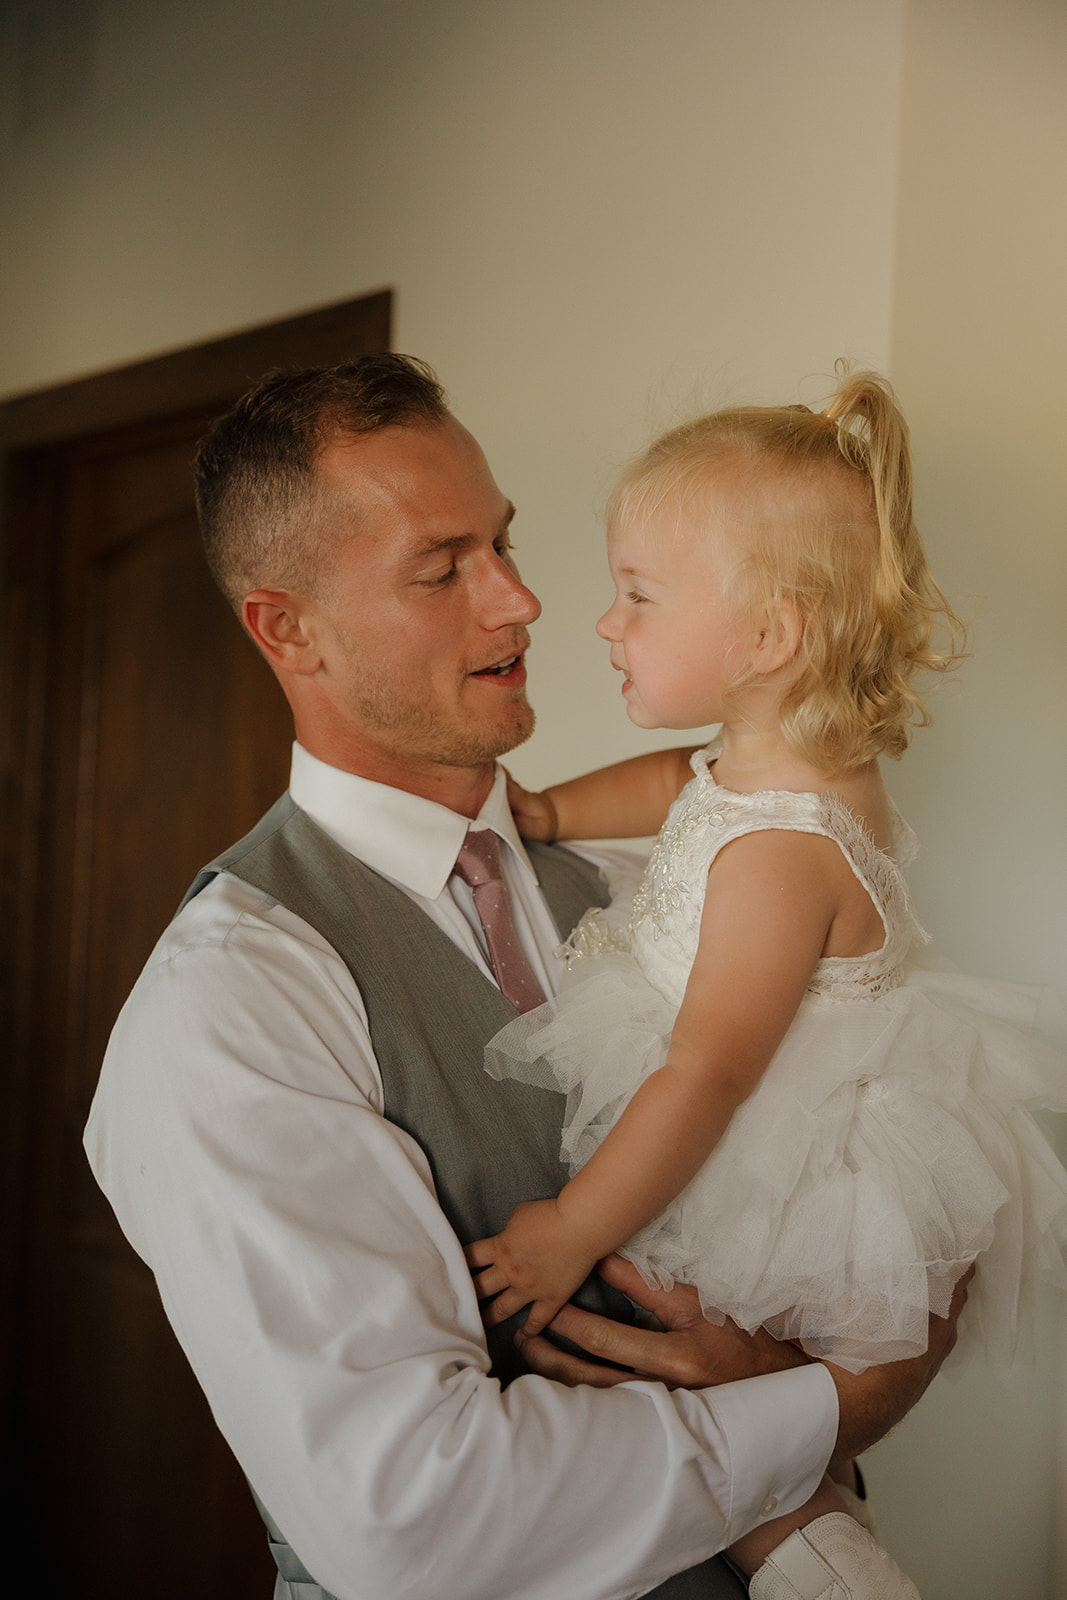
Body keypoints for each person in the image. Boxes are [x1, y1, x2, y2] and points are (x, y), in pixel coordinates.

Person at [85, 356, 966, 1600]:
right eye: (441, 569)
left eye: (500, 542)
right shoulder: (229, 1001)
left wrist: (801, 1370)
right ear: (289, 629)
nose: (521, 599)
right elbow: (415, 1521)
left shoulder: (666, 874)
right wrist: (828, 1405)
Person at [466, 369, 1067, 1589]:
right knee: (719, 1415)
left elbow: (708, 1070)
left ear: (767, 637)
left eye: (638, 595)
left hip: (787, 1148)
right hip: (781, 1103)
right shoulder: (769, 755)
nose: (605, 623)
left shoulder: (780, 853)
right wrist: (553, 810)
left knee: (719, 1414)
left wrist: (571, 1228)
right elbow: (675, 784)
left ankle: (823, 1563)